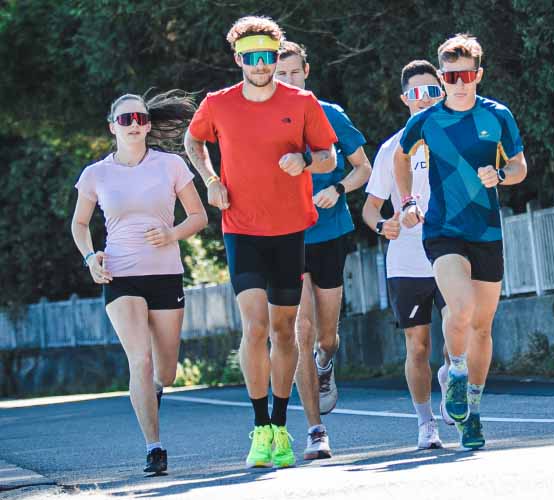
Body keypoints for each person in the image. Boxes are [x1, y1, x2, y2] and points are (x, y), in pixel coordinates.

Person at [183, 16, 337, 469]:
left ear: (276, 56)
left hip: (289, 229)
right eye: (251, 57)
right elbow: (194, 143)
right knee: (253, 327)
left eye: (268, 56)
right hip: (241, 228)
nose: (261, 65)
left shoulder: (303, 102)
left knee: (284, 331)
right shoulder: (218, 104)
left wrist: (305, 161)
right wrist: (211, 180)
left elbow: (328, 155)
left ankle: (282, 423)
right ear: (238, 59)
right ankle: (260, 428)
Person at [394, 34, 528, 450]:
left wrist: (501, 176)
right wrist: (410, 200)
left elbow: (520, 166)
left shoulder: (498, 115)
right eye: (451, 76)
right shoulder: (427, 120)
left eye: (467, 74)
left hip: (486, 231)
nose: (460, 83)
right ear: (443, 77)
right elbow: (401, 157)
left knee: (483, 329)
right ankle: (454, 370)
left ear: (478, 74)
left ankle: (473, 411)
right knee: (461, 308)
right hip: (444, 230)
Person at [71, 90, 207, 474]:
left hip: (165, 274)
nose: (135, 125)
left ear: (148, 125)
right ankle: (154, 447)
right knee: (140, 359)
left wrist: (172, 234)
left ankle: (158, 390)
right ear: (112, 126)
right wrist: (89, 257)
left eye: (141, 119)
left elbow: (198, 216)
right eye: (126, 119)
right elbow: (79, 224)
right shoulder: (96, 174)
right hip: (120, 274)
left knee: (165, 370)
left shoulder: (170, 166)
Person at [275, 41, 372, 460]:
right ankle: (315, 429)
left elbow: (362, 169)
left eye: (295, 73)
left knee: (326, 336)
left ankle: (326, 363)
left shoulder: (329, 114)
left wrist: (337, 188)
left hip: (329, 233)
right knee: (302, 329)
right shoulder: (262, 122)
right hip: (284, 235)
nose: (288, 81)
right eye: (281, 75)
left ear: (307, 71)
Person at [363, 60, 454, 450]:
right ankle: (425, 422)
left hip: (452, 250)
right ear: (405, 99)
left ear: (443, 91)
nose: (425, 99)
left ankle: (452, 377)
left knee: (458, 333)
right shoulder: (391, 148)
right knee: (418, 346)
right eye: (416, 93)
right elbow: (370, 208)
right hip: (407, 260)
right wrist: (384, 225)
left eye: (432, 91)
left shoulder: (457, 136)